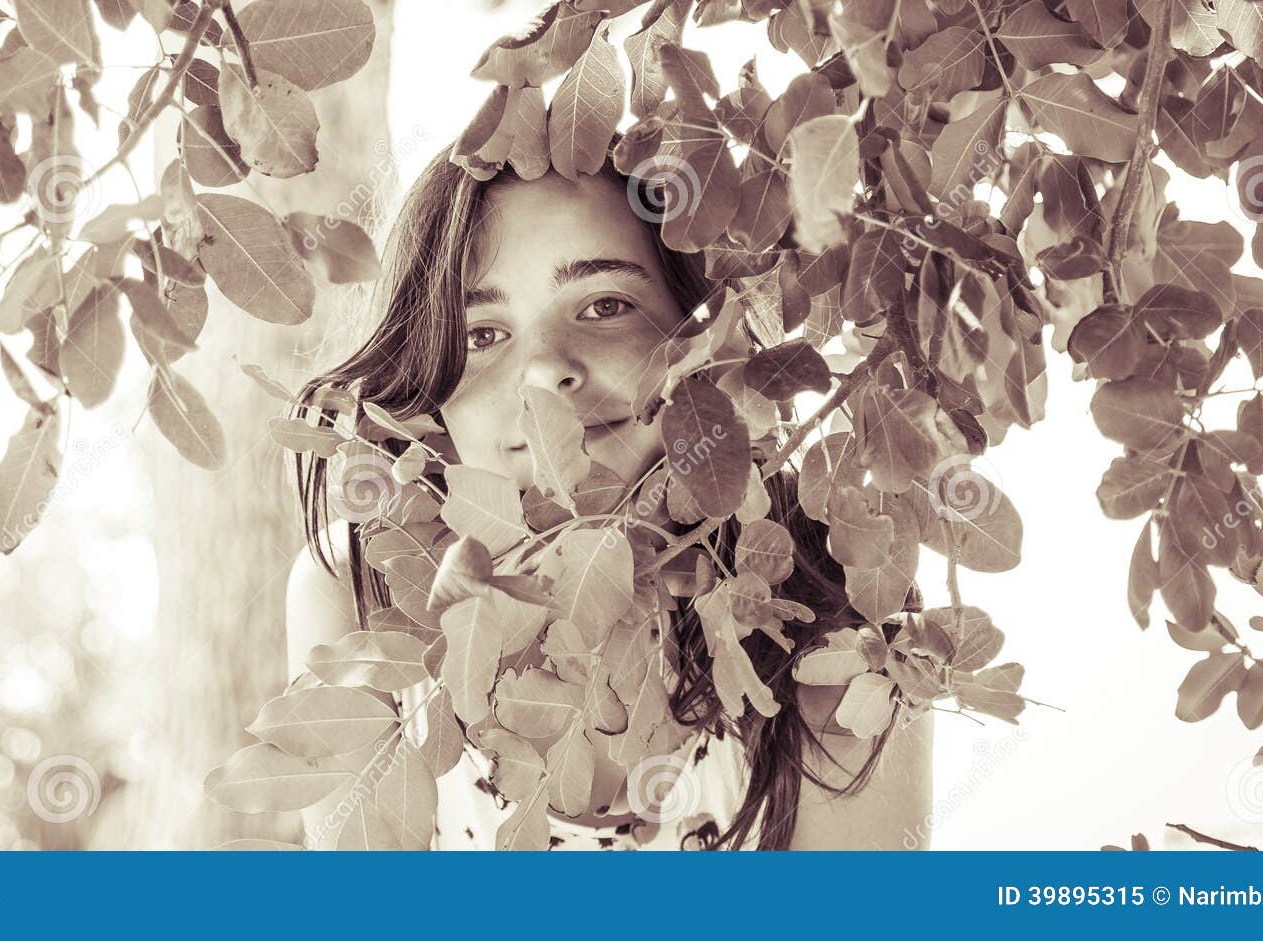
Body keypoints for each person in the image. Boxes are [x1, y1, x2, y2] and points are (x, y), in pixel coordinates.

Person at [283, 144, 934, 850]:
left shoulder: (836, 617)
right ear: (432, 395)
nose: (541, 368)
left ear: (707, 342)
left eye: (604, 304)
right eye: (482, 333)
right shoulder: (361, 590)